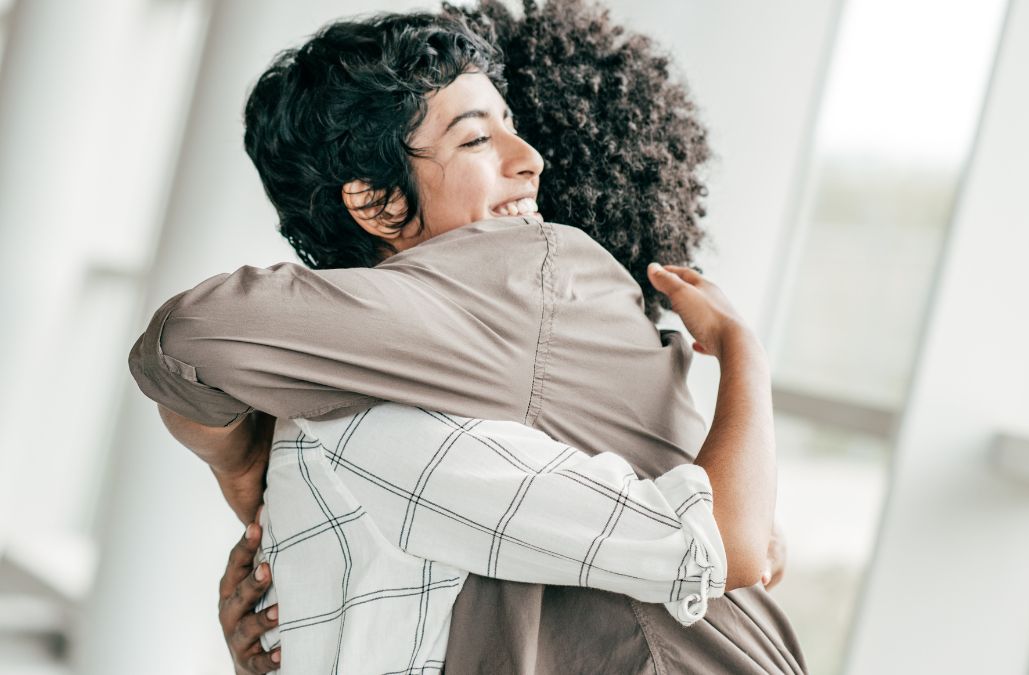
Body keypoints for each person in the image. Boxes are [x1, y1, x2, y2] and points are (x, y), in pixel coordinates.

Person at [129, 2, 804, 673]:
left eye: (511, 128)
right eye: (479, 138)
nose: (531, 159)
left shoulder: (528, 274)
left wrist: (244, 469)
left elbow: (185, 341)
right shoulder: (362, 386)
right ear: (377, 203)